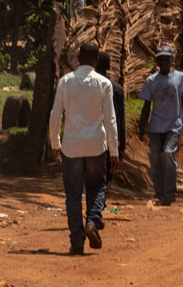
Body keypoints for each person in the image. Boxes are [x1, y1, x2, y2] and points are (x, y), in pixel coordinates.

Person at [48, 42, 119, 255]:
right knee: (97, 187)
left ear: (78, 58)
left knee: (73, 194)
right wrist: (114, 151)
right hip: (97, 145)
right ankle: (93, 221)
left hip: (71, 146)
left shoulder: (65, 82)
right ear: (96, 60)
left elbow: (55, 115)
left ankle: (76, 242)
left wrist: (55, 144)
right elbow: (111, 120)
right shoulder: (104, 84)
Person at [138, 45, 183, 206]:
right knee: (155, 159)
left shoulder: (181, 78)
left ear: (172, 60)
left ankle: (170, 192)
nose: (164, 62)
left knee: (168, 154)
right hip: (156, 126)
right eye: (161, 59)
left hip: (174, 125)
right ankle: (160, 193)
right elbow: (146, 106)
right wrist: (142, 127)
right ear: (157, 61)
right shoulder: (151, 81)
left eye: (167, 58)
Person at [96, 52, 127, 162]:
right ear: (109, 67)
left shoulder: (88, 85)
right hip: (110, 142)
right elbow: (120, 119)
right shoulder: (117, 89)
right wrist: (121, 146)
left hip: (92, 140)